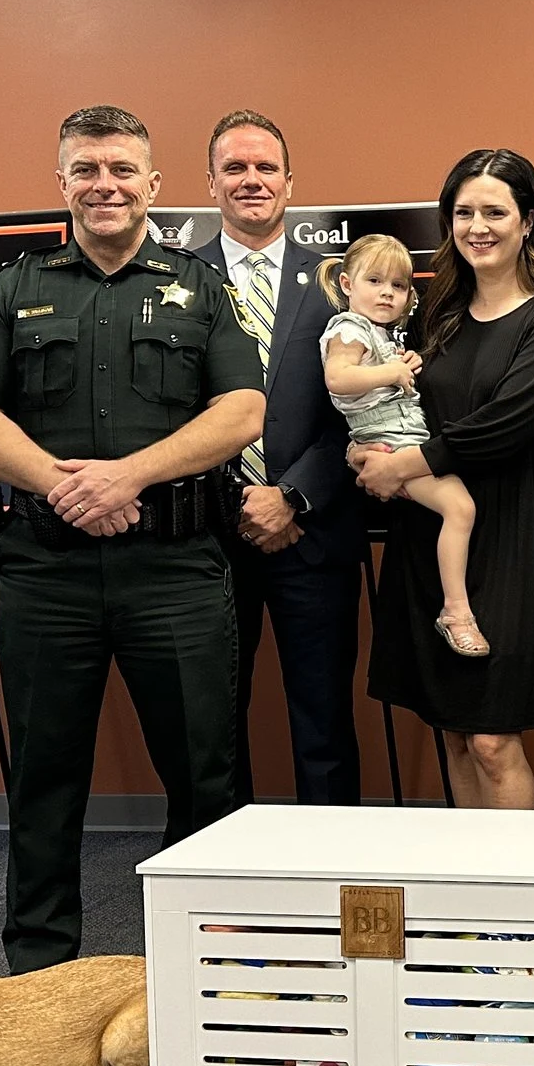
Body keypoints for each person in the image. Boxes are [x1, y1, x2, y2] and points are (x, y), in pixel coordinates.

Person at [0, 105, 264, 971]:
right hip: (47, 571)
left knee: (207, 777)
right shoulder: (12, 287)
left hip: (176, 571)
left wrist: (129, 476)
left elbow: (242, 409)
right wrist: (65, 484)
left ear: (154, 184)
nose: (105, 185)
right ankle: (41, 975)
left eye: (123, 169)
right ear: (63, 183)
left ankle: (216, 963)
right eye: (86, 169)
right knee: (44, 782)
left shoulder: (201, 287)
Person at [354, 150, 534, 808]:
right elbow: (398, 403)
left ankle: (515, 912)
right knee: (453, 732)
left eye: (494, 210)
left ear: (528, 221)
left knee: (492, 738)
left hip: (513, 543)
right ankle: (473, 902)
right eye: (464, 212)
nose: (477, 225)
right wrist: (367, 446)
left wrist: (400, 466)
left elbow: (502, 426)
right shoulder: (435, 315)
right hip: (429, 539)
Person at [191, 110, 368, 810]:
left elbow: (364, 413)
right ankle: (223, 885)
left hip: (314, 534)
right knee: (212, 728)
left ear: (290, 184)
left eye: (265, 167)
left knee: (323, 724)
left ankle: (333, 882)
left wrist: (290, 496)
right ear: (211, 184)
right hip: (208, 539)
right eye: (235, 168)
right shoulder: (174, 280)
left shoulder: (340, 282)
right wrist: (240, 499)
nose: (251, 180)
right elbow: (167, 416)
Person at [324, 234, 486, 657]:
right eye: (374, 281)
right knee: (460, 507)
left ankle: (456, 606)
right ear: (346, 284)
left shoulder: (382, 335)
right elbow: (338, 379)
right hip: (391, 447)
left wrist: (402, 364)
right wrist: (391, 373)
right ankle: (456, 611)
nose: (386, 293)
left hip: (405, 442)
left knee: (461, 507)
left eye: (397, 286)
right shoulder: (348, 327)